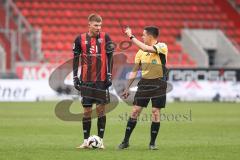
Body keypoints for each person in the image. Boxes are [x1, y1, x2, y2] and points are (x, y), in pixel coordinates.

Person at [118, 26, 168, 150]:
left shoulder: (162, 46)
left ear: (150, 37)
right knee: (135, 111)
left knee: (155, 112)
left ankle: (152, 143)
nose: (142, 37)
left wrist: (131, 36)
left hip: (159, 83)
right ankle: (125, 141)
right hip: (145, 83)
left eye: (143, 35)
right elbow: (134, 71)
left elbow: (146, 47)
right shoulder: (140, 53)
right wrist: (127, 88)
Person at [72, 13, 114, 149]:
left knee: (101, 110)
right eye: (96, 25)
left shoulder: (106, 37)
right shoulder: (80, 39)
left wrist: (109, 74)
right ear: (89, 24)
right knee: (87, 111)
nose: (98, 28)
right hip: (86, 80)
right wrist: (75, 76)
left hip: (101, 80)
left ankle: (100, 141)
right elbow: (75, 58)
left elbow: (110, 57)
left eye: (100, 25)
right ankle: (85, 141)